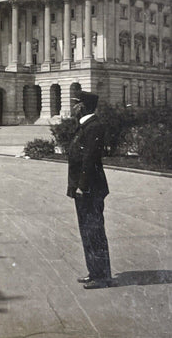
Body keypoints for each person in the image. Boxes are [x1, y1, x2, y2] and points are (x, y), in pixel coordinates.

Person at [67, 91, 113, 289]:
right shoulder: (85, 125)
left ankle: (102, 276)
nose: (72, 107)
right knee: (87, 231)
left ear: (83, 106)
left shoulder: (93, 127)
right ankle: (94, 271)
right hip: (84, 188)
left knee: (94, 231)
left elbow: (89, 159)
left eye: (75, 103)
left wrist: (81, 186)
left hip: (89, 189)